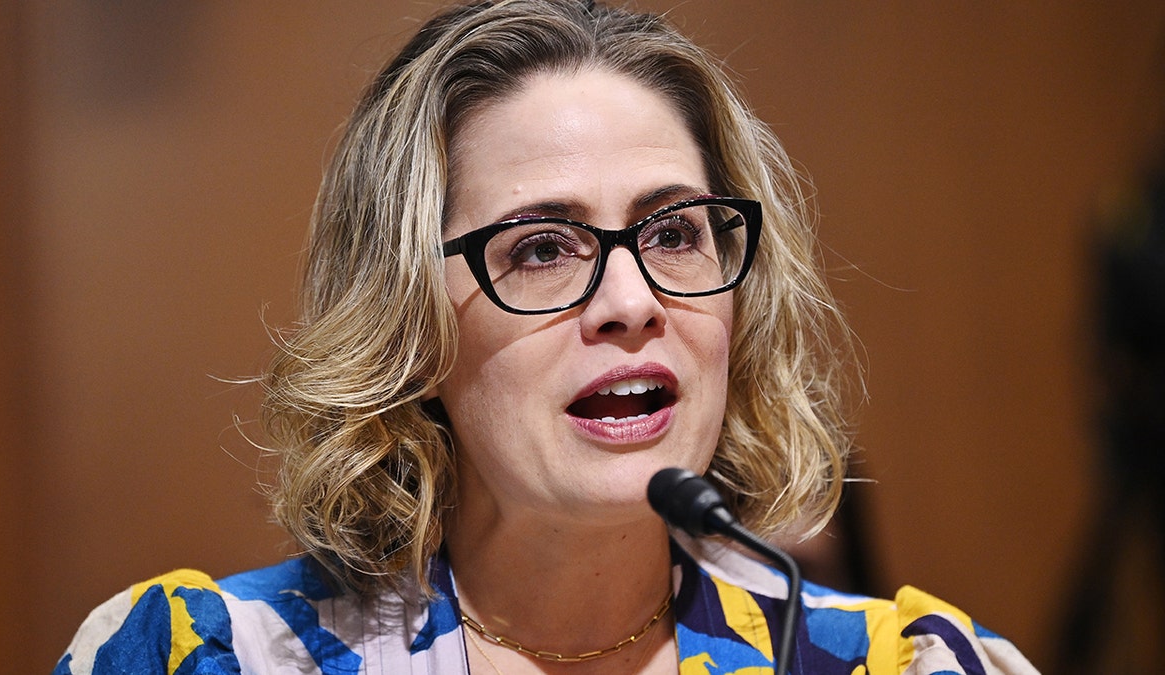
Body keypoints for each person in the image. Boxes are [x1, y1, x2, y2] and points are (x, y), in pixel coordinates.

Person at [54, 1, 1039, 673]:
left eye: (672, 233)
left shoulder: (899, 663)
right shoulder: (213, 657)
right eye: (540, 249)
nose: (630, 299)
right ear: (410, 323)